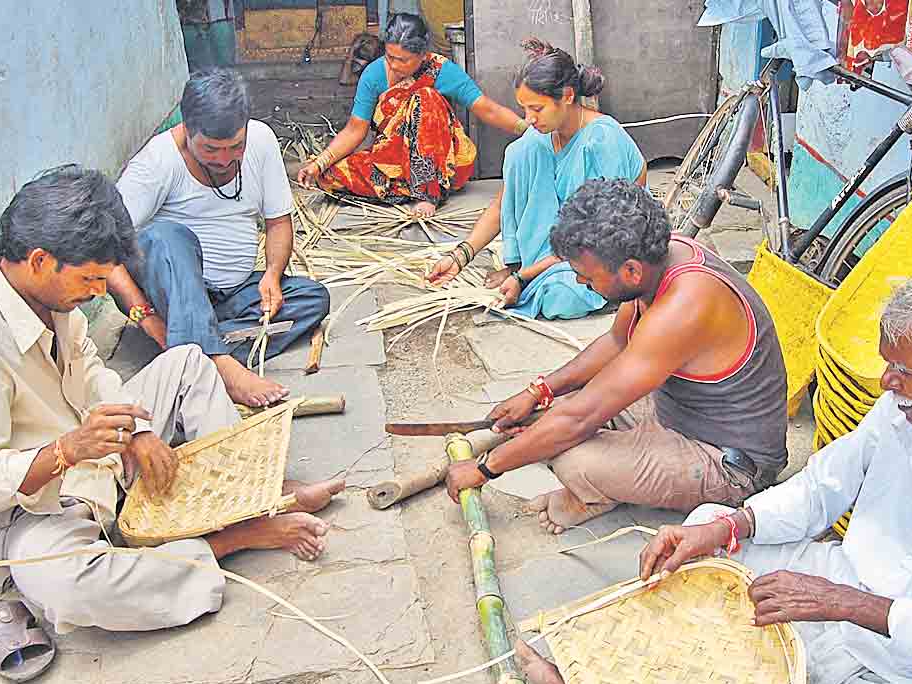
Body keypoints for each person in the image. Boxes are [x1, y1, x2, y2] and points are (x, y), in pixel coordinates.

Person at [516, 269, 912, 684]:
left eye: (907, 372)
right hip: (851, 586)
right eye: (888, 365)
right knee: (712, 529)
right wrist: (725, 529)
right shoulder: (904, 411)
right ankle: (612, 680)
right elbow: (820, 489)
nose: (887, 383)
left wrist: (841, 603)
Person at [0, 166, 343, 635]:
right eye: (90, 280)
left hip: (98, 444)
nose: (99, 293)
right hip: (35, 506)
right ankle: (228, 539)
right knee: (68, 587)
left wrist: (134, 431)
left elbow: (94, 373)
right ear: (38, 260)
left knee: (189, 362)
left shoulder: (51, 297)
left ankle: (242, 500)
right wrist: (67, 451)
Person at [444, 179, 788, 533]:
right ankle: (613, 476)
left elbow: (580, 419)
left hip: (729, 463)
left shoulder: (686, 304)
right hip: (677, 412)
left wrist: (485, 469)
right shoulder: (657, 260)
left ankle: (592, 495)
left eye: (587, 277)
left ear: (631, 271)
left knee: (573, 457)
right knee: (556, 416)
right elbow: (617, 343)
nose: (580, 284)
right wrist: (538, 392)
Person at [111, 67, 331, 408]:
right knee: (165, 237)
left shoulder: (261, 141)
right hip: (175, 292)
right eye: (211, 149)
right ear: (187, 128)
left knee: (312, 298)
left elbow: (278, 223)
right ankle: (219, 364)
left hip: (234, 296)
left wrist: (272, 275)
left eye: (235, 146)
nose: (226, 159)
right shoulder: (156, 163)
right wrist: (145, 315)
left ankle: (191, 346)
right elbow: (105, 253)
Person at [427, 38, 648, 320]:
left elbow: (603, 235)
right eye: (524, 109)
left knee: (561, 298)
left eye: (537, 109)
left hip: (606, 250)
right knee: (521, 151)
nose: (529, 119)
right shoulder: (538, 139)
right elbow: (503, 203)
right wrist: (460, 256)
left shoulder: (603, 140)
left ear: (567, 96)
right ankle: (526, 268)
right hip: (562, 250)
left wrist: (524, 277)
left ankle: (538, 276)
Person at [297, 13, 526, 217]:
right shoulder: (374, 74)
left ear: (423, 55)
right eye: (390, 57)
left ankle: (427, 193)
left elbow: (488, 109)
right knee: (327, 176)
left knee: (424, 96)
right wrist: (320, 162)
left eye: (402, 60)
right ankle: (405, 188)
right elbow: (355, 129)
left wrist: (528, 128)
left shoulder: (441, 70)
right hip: (393, 162)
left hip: (440, 164)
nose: (394, 66)